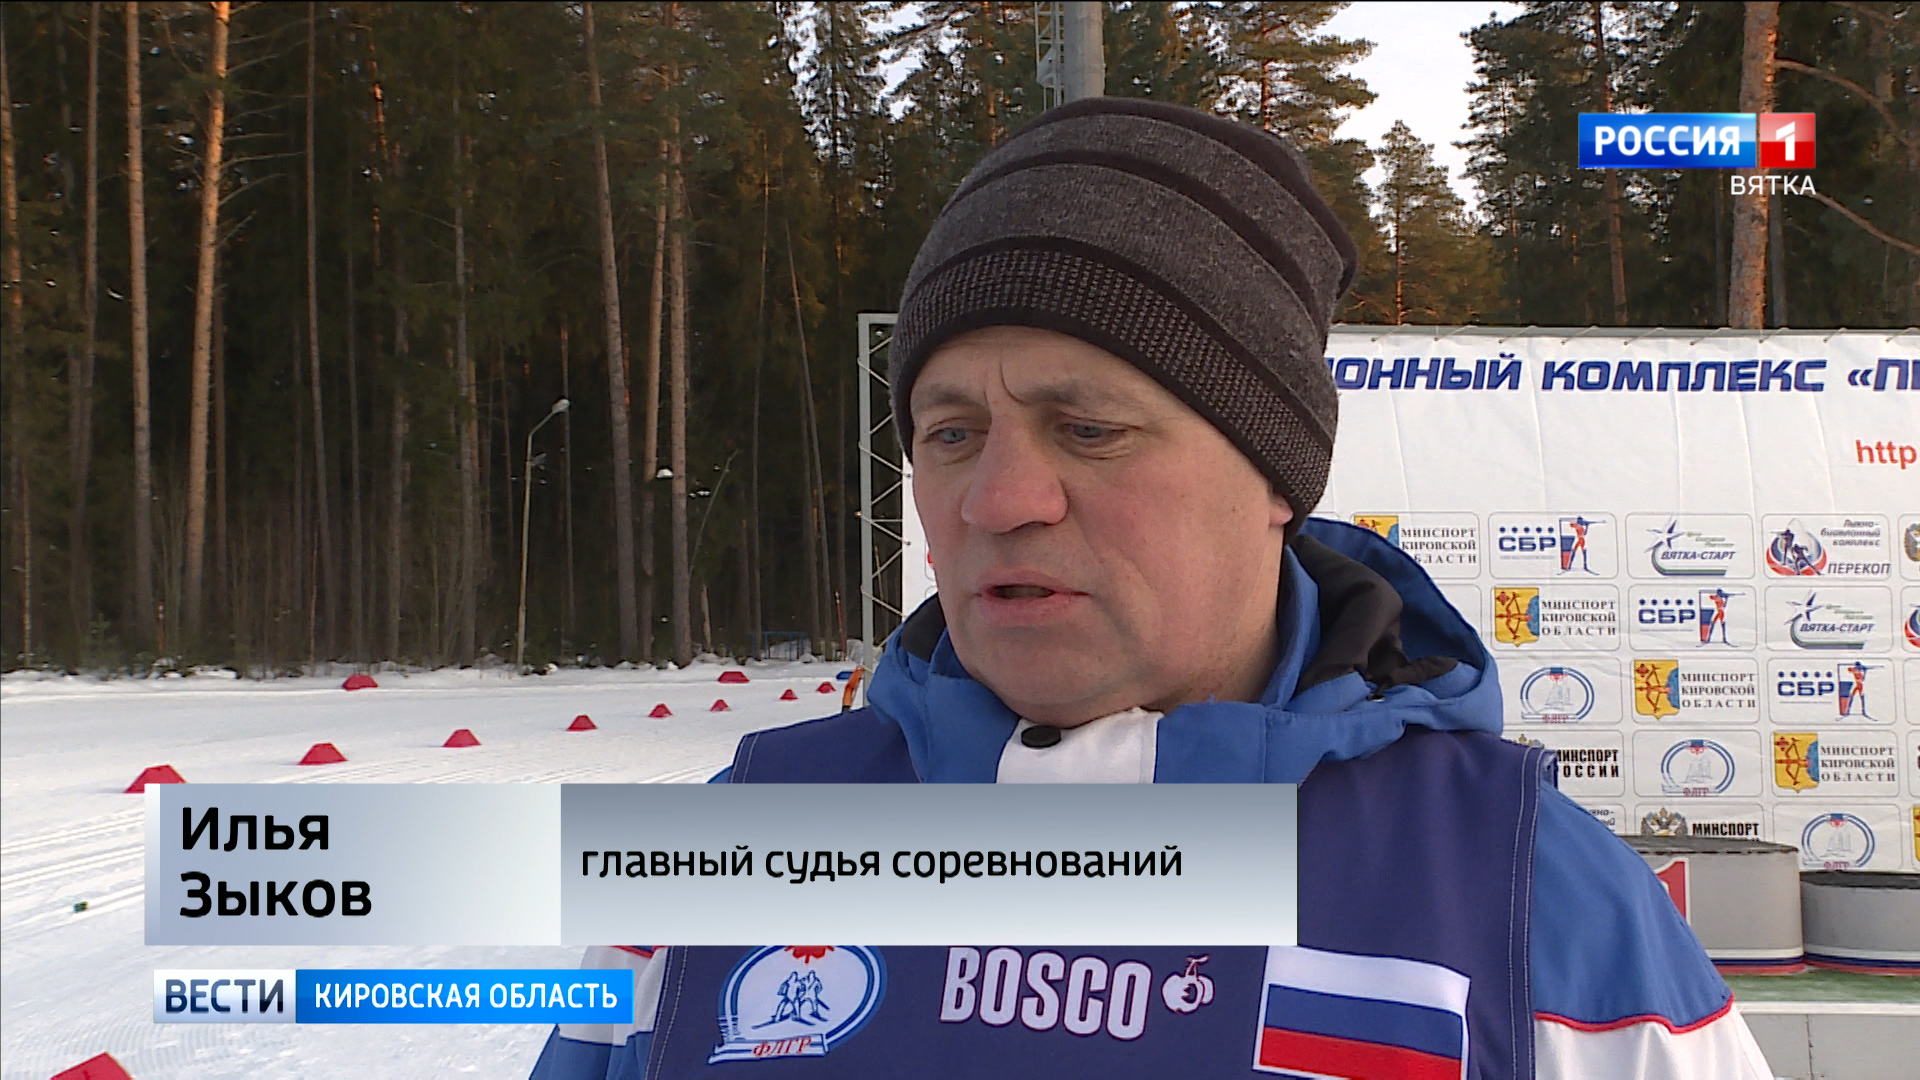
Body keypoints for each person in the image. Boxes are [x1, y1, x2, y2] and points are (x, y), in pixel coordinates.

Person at [532, 98, 1771, 1080]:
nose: (998, 500)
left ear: (1274, 480)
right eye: (952, 433)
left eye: (1089, 430)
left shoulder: (1529, 896)